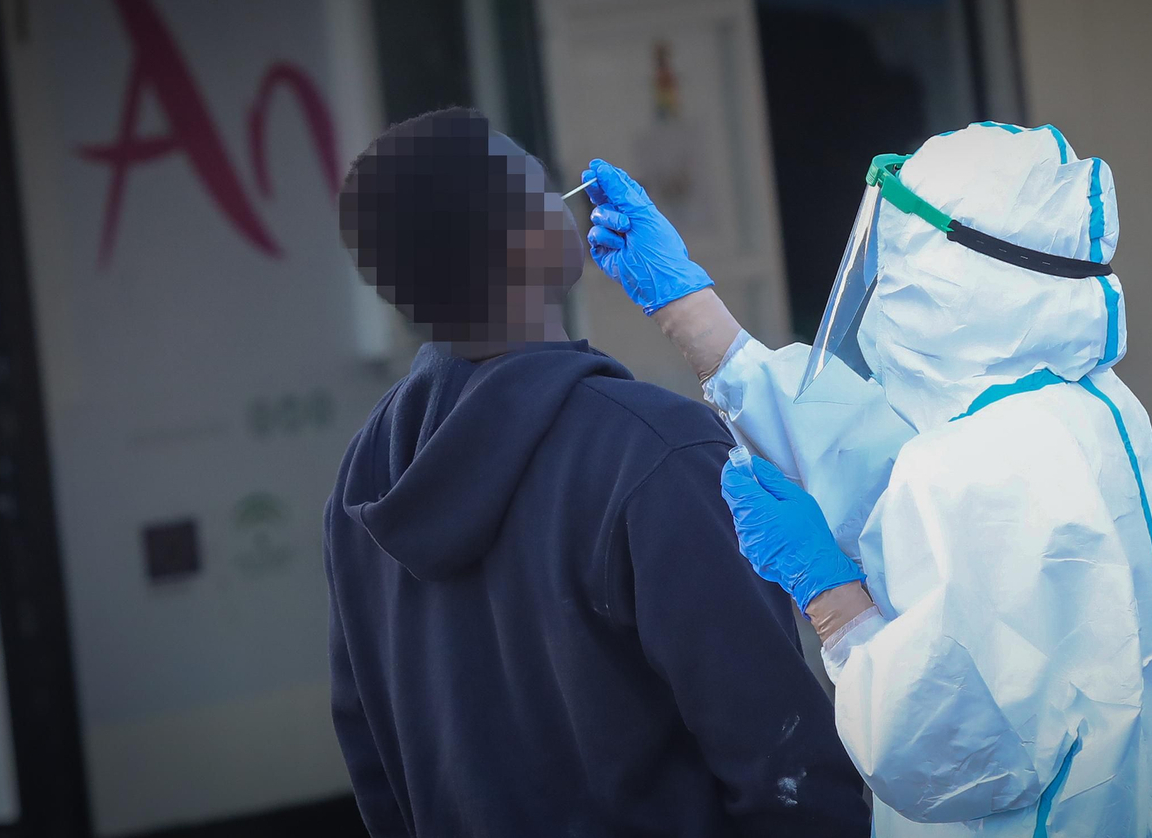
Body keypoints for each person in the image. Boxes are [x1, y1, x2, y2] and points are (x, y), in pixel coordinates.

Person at [582, 122, 1152, 836]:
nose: (885, 287)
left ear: (952, 276)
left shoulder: (998, 463)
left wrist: (831, 600)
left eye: (900, 260)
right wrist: (690, 311)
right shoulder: (1059, 404)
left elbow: (938, 752)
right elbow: (876, 459)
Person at [324, 107, 869, 838]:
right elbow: (786, 768)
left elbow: (371, 756)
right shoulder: (657, 452)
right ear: (530, 239)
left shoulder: (365, 473)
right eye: (542, 186)